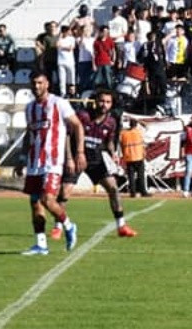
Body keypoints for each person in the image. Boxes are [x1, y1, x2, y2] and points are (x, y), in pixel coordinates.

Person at [51, 90, 138, 239]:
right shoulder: (83, 116)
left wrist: (113, 154)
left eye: (107, 102)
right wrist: (70, 158)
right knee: (65, 192)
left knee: (113, 188)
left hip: (96, 160)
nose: (104, 104)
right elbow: (67, 135)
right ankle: (58, 227)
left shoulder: (111, 122)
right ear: (95, 101)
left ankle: (121, 226)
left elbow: (109, 141)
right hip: (78, 158)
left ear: (111, 104)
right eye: (101, 101)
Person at [20, 70, 85, 256]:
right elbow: (29, 134)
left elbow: (77, 125)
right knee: (34, 203)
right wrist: (22, 158)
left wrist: (79, 152)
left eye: (40, 82)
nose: (36, 86)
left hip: (53, 161)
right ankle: (41, 244)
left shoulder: (59, 103)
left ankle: (69, 225)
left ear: (47, 83)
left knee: (47, 199)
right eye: (34, 83)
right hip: (34, 162)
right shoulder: (30, 108)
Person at [120, 117, 151, 198]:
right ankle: (143, 192)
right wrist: (138, 120)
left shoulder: (124, 134)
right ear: (136, 125)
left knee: (131, 176)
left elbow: (121, 144)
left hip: (129, 157)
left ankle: (132, 193)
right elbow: (147, 126)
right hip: (139, 156)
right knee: (141, 176)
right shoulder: (139, 132)